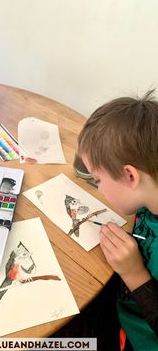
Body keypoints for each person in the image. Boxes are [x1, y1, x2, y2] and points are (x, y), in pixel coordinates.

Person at [75, 90, 158, 351]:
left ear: (130, 176)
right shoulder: (149, 196)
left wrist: (135, 274)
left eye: (97, 181)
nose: (98, 189)